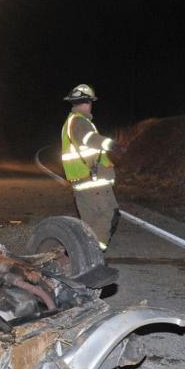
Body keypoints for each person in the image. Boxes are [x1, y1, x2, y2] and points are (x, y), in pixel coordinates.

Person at [61, 84, 121, 250]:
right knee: (108, 214)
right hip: (92, 180)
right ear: (87, 102)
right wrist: (111, 144)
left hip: (82, 180)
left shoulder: (71, 122)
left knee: (89, 221)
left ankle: (80, 256)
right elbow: (89, 138)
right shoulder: (80, 122)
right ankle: (94, 254)